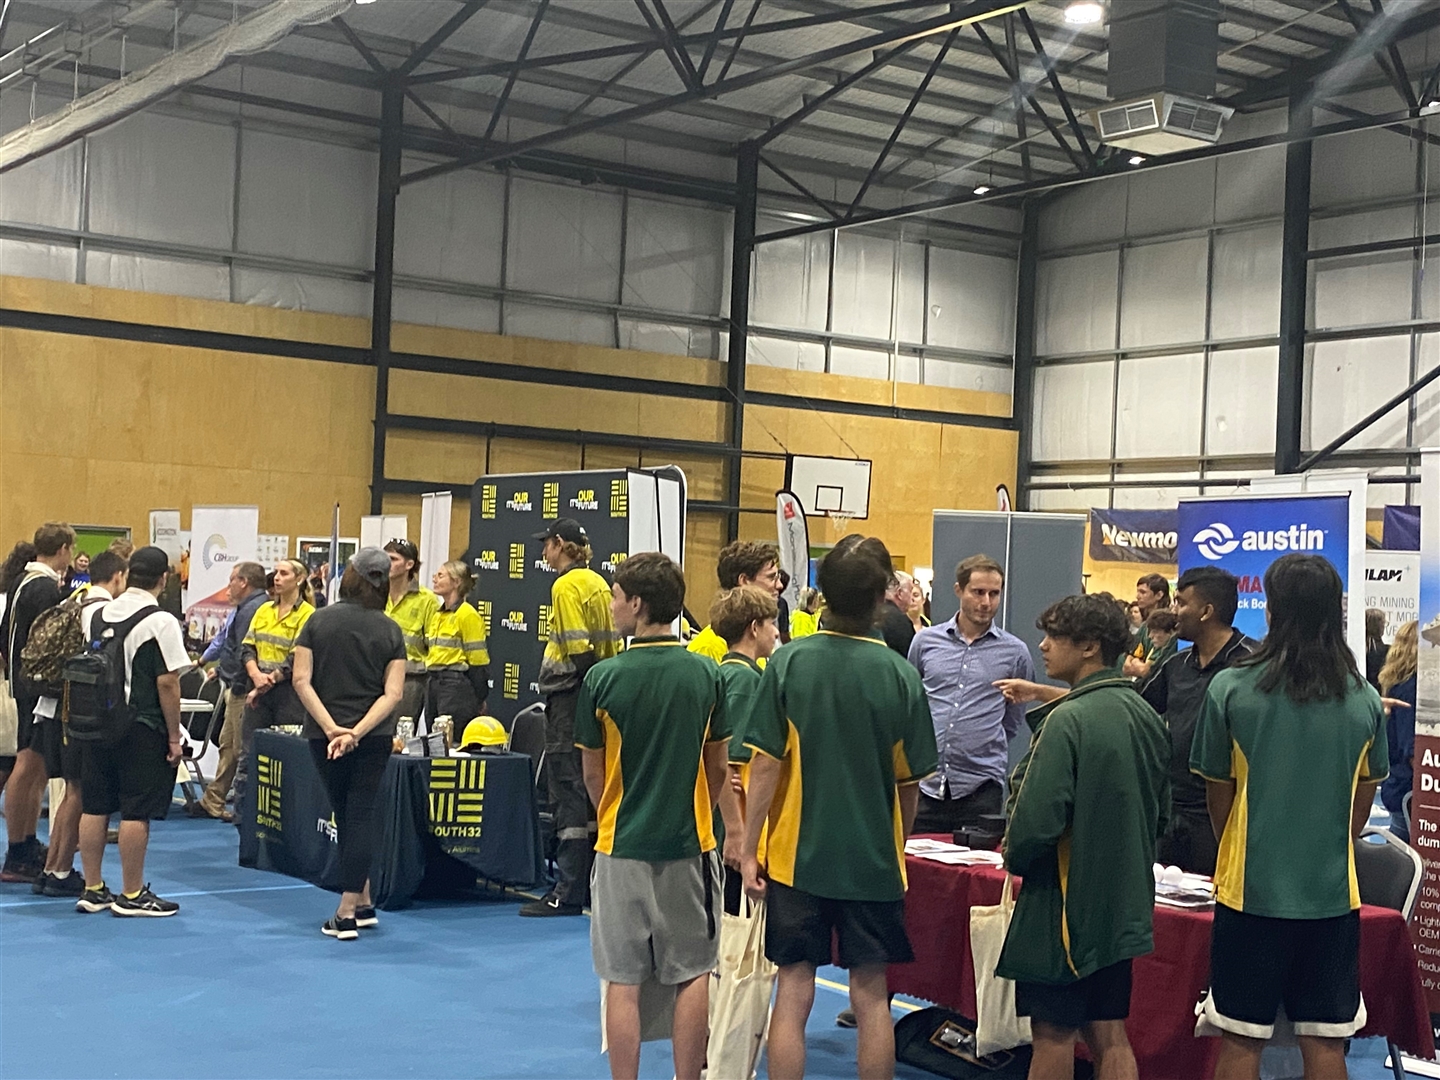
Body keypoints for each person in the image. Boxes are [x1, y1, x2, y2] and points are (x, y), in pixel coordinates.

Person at [739, 536, 938, 1080]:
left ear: (821, 593)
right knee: (872, 998)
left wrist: (749, 848)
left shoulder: (788, 663)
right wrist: (895, 847)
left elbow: (764, 766)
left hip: (795, 859)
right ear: (882, 598)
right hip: (872, 863)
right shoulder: (901, 676)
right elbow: (909, 785)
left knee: (794, 990)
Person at [1191, 554, 1388, 1080]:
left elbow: (1218, 797)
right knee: (1325, 1044)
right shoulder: (1365, 700)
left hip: (1249, 894)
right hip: (1332, 898)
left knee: (1240, 1039)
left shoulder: (1230, 689)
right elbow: (1359, 810)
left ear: (1271, 610)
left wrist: (1242, 847)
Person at [998, 594, 1169, 1080]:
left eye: (1054, 636)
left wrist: (1014, 855)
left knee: (1052, 1034)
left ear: (1090, 646)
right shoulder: (1145, 716)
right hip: (1122, 902)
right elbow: (1162, 813)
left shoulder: (1066, 720)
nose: (1043, 646)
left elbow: (1034, 823)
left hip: (1064, 904)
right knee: (1108, 1030)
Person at [576, 552, 730, 1080]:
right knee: (694, 973)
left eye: (616, 597)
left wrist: (616, 817)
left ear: (637, 604)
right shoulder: (708, 674)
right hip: (690, 847)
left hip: (620, 846)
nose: (612, 606)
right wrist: (697, 814)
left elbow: (593, 774)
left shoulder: (601, 679)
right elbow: (717, 768)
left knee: (622, 980)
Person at [291, 548, 406, 940]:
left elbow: (301, 680)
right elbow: (393, 694)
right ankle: (363, 900)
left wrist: (331, 728)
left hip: (324, 735)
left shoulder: (317, 620)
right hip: (373, 737)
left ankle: (345, 912)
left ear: (350, 577)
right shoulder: (391, 630)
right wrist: (357, 732)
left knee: (347, 815)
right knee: (358, 814)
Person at [75, 546, 191, 917]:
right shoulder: (161, 621)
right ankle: (132, 892)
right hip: (140, 725)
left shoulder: (95, 613)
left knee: (94, 806)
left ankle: (92, 888)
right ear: (164, 579)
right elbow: (168, 682)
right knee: (135, 811)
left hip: (95, 721)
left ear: (127, 574)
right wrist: (174, 737)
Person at [522, 517, 622, 917]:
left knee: (567, 789)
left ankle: (568, 889)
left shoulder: (564, 586)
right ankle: (593, 886)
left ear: (561, 544)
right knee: (592, 788)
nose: (543, 551)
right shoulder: (598, 582)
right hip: (598, 693)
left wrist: (586, 689)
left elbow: (578, 650)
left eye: (547, 543)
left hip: (570, 695)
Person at [26, 551, 129, 898]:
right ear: (118, 576)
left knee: (71, 792)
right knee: (79, 793)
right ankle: (59, 871)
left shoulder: (73, 600)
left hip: (52, 707)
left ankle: (52, 868)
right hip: (76, 712)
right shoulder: (102, 611)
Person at [1139, 566, 1253, 877]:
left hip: (1225, 813)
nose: (1173, 611)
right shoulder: (1175, 664)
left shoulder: (1253, 664)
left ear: (1206, 612)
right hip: (1172, 809)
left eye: (1180, 602)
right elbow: (1132, 706)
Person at [909, 555, 1035, 835]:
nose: (986, 602)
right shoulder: (925, 642)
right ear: (959, 590)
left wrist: (980, 741)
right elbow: (913, 702)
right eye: (978, 592)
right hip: (926, 783)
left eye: (994, 593)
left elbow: (1012, 718)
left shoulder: (1015, 653)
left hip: (980, 786)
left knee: (977, 860)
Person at [0, 523, 75, 883]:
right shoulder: (45, 587)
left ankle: (26, 843)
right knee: (28, 766)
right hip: (37, 688)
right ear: (63, 549)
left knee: (35, 768)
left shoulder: (20, 582)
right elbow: (53, 640)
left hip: (22, 682)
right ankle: (18, 851)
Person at [708, 585, 781, 898]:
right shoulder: (745, 680)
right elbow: (728, 762)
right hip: (733, 821)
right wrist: (737, 832)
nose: (775, 632)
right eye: (771, 624)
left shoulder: (726, 672)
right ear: (754, 628)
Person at [235, 560, 314, 811]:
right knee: (249, 755)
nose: (277, 578)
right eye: (276, 573)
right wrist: (256, 675)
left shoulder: (308, 615)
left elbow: (296, 657)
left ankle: (284, 814)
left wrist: (268, 681)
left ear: (299, 579)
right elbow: (247, 647)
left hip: (288, 695)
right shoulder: (264, 610)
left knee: (285, 755)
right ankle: (243, 815)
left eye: (284, 573)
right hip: (258, 690)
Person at [194, 562, 268, 822]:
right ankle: (213, 799)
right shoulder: (248, 607)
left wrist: (235, 679)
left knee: (237, 748)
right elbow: (229, 644)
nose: (228, 586)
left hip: (242, 687)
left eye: (232, 580)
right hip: (236, 683)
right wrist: (217, 668)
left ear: (244, 582)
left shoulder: (252, 609)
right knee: (228, 746)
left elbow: (245, 651)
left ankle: (238, 806)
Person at [688, 541, 782, 662]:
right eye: (771, 577)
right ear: (744, 580)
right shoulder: (708, 647)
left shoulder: (759, 640)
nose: (779, 585)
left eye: (778, 577)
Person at [424, 559, 489, 724]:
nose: (434, 579)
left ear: (456, 582)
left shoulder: (467, 614)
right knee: (434, 735)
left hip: (455, 685)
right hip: (433, 682)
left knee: (450, 735)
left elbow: (477, 661)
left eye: (441, 576)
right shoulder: (438, 615)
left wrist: (479, 697)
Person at [383, 538, 438, 729]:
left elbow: (434, 646)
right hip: (374, 674)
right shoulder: (375, 594)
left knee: (400, 731)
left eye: (393, 559)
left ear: (409, 565)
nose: (387, 563)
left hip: (410, 678)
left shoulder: (426, 600)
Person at [0, 540, 36, 800]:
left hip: (9, 678)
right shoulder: (9, 601)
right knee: (8, 756)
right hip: (6, 682)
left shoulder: (8, 598)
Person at [1378, 621, 1417, 843]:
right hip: (1408, 791)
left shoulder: (1399, 686)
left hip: (1398, 785)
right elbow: (1411, 750)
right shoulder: (1411, 690)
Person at [1123, 573, 1173, 679]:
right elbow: (1127, 665)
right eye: (1138, 592)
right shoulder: (1144, 626)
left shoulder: (1169, 624)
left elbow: (1149, 670)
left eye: (1143, 592)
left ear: (1159, 595)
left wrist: (1139, 666)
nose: (1137, 596)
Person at [877, 569, 916, 657]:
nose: (912, 598)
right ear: (900, 593)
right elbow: (908, 657)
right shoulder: (899, 621)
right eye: (911, 591)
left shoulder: (872, 613)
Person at [1364, 607, 1389, 692]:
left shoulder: (1356, 649)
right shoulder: (1386, 651)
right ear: (1379, 626)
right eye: (1384, 623)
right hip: (1379, 693)